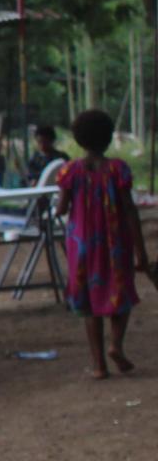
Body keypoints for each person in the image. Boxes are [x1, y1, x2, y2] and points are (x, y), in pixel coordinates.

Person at [54, 110, 154, 379]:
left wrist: (59, 205)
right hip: (115, 242)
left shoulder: (70, 171)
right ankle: (115, 345)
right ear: (109, 138)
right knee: (120, 293)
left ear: (78, 139)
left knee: (88, 303)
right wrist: (141, 252)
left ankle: (98, 365)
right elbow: (130, 211)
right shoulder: (118, 169)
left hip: (82, 245)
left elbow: (61, 209)